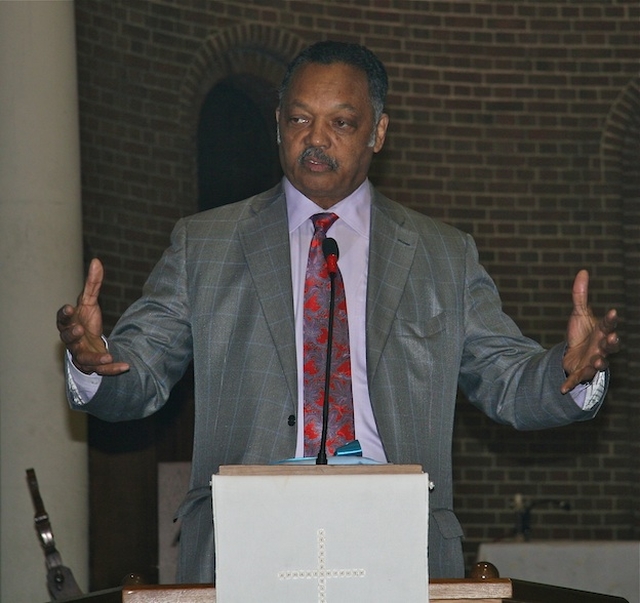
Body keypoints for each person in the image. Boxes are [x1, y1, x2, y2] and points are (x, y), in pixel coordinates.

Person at [57, 40, 619, 582]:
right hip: (246, 537)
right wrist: (94, 362)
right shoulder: (204, 244)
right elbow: (141, 374)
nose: (316, 139)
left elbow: (504, 379)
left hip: (398, 536)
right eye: (300, 120)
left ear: (378, 131)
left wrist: (567, 371)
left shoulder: (441, 254)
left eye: (342, 123)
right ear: (277, 122)